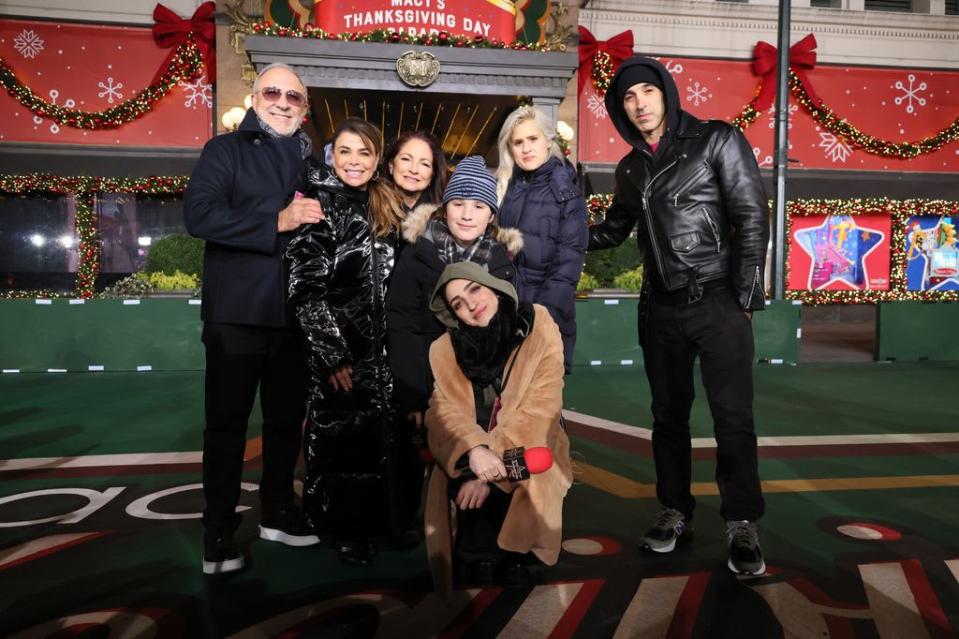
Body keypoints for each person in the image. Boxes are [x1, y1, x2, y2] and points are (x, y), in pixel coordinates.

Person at [587, 55, 770, 575]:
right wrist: (553, 234)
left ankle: (741, 522)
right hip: (659, 308)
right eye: (627, 96)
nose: (639, 103)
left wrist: (745, 298)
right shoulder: (629, 168)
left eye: (647, 90)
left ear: (665, 92)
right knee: (667, 418)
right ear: (621, 109)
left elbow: (751, 215)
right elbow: (611, 232)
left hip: (717, 300)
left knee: (733, 418)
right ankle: (675, 510)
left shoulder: (716, 140)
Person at [184, 63, 323, 575]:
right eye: (273, 92)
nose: (284, 102)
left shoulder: (315, 159)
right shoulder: (224, 150)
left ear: (305, 107)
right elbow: (199, 216)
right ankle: (217, 532)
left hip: (294, 319)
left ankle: (279, 512)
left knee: (287, 424)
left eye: (295, 96)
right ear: (255, 97)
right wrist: (276, 221)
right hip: (237, 317)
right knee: (226, 428)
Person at [286, 117, 406, 566]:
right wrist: (332, 353)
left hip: (384, 352)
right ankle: (343, 529)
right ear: (331, 154)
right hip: (341, 353)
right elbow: (304, 288)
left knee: (381, 440)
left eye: (365, 153)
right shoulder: (319, 205)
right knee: (341, 443)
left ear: (376, 160)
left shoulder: (386, 203)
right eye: (346, 151)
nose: (354, 162)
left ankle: (380, 523)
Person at [424, 261, 573, 592]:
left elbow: (541, 410)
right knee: (457, 478)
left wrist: (487, 468)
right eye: (458, 304)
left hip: (529, 444)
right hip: (473, 452)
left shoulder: (539, 326)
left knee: (529, 468)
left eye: (474, 289)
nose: (471, 305)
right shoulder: (443, 350)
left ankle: (518, 554)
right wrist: (473, 450)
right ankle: (480, 555)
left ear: (492, 286)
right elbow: (440, 412)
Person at [386, 154, 522, 430]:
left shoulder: (500, 262)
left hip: (486, 397)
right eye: (458, 204)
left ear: (491, 215)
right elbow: (402, 326)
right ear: (445, 208)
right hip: (431, 388)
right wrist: (415, 398)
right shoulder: (418, 253)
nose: (467, 214)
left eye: (479, 205)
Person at [495, 106, 588, 373]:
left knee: (537, 408)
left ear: (549, 140)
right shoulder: (505, 187)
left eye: (533, 139)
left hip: (544, 316)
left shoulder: (566, 193)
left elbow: (566, 270)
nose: (526, 148)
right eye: (518, 142)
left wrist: (539, 320)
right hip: (505, 315)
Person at [382, 130, 449, 212]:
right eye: (406, 159)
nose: (414, 170)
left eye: (424, 164)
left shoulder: (446, 212)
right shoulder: (370, 205)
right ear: (391, 166)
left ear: (433, 174)